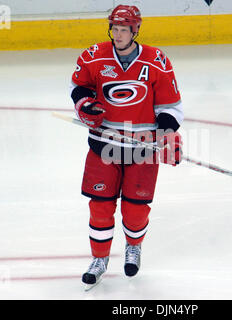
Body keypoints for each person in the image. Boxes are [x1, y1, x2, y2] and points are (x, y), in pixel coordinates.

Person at [70, 4, 184, 288]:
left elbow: (170, 105)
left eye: (124, 29)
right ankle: (99, 259)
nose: (118, 35)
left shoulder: (157, 61)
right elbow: (78, 87)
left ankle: (134, 247)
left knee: (135, 209)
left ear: (135, 30)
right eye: (115, 29)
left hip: (143, 148)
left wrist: (168, 133)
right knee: (100, 206)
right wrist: (84, 104)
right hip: (103, 145)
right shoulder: (94, 56)